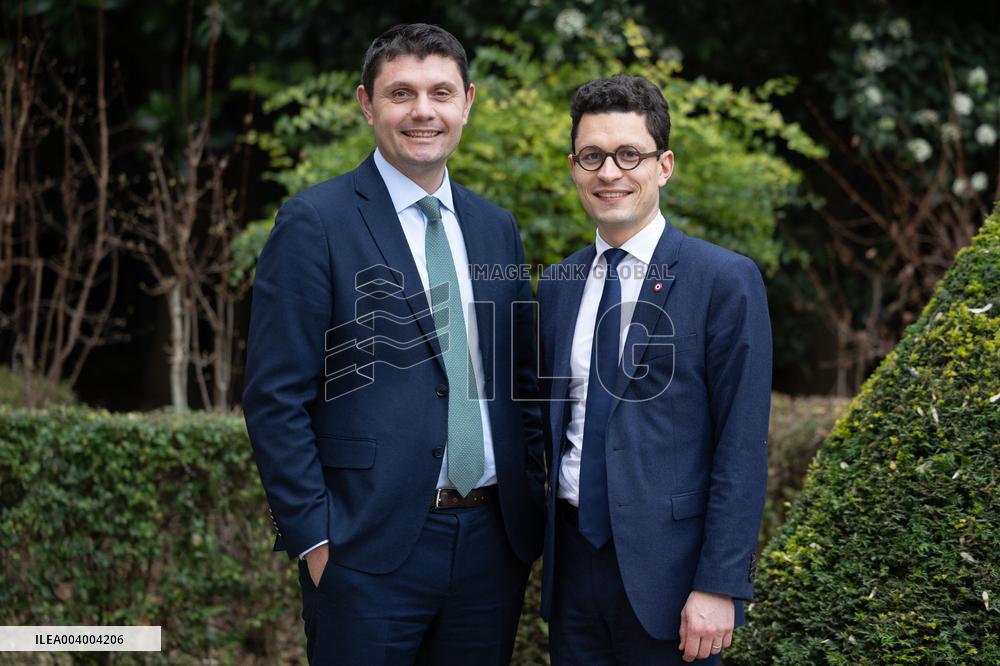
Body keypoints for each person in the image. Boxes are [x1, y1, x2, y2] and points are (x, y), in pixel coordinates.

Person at [242, 23, 545, 665]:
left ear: (468, 102)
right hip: (363, 554)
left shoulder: (496, 227)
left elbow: (520, 380)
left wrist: (532, 505)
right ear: (366, 103)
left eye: (441, 92)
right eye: (401, 93)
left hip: (492, 548)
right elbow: (274, 397)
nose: (422, 111)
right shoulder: (315, 223)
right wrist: (315, 539)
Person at [536, 74, 772, 664]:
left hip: (675, 582)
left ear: (663, 166)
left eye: (629, 155)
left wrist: (720, 584)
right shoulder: (558, 285)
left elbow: (742, 443)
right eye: (592, 156)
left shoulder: (724, 280)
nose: (609, 172)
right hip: (571, 573)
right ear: (573, 168)